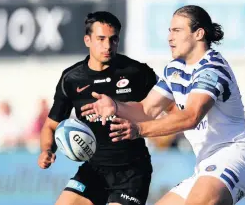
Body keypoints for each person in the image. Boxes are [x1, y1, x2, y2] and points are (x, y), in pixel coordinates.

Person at [81, 5, 245, 205]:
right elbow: (147, 109)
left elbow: (191, 117)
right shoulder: (174, 69)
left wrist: (139, 130)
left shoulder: (212, 68)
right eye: (169, 31)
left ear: (199, 34)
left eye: (177, 30)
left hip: (234, 157)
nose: (169, 37)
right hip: (205, 165)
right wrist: (116, 106)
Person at [37, 11, 159, 205]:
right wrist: (46, 150)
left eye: (113, 39)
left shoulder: (137, 73)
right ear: (87, 40)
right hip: (94, 170)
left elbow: (168, 108)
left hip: (131, 171)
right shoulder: (71, 79)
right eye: (101, 39)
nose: (107, 46)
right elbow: (51, 125)